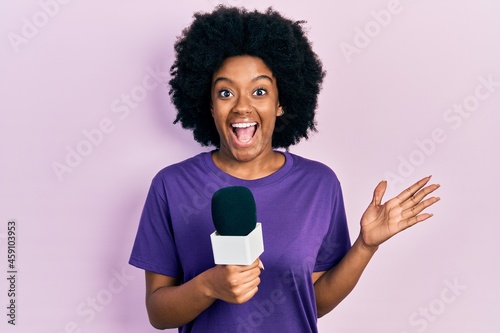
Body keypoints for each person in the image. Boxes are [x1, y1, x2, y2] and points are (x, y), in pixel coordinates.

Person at [129, 6, 440, 333]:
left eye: (259, 91)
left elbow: (312, 302)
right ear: (208, 104)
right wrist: (209, 285)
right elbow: (158, 314)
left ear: (281, 102)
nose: (242, 106)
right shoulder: (171, 185)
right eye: (225, 92)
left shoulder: (319, 184)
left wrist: (365, 245)